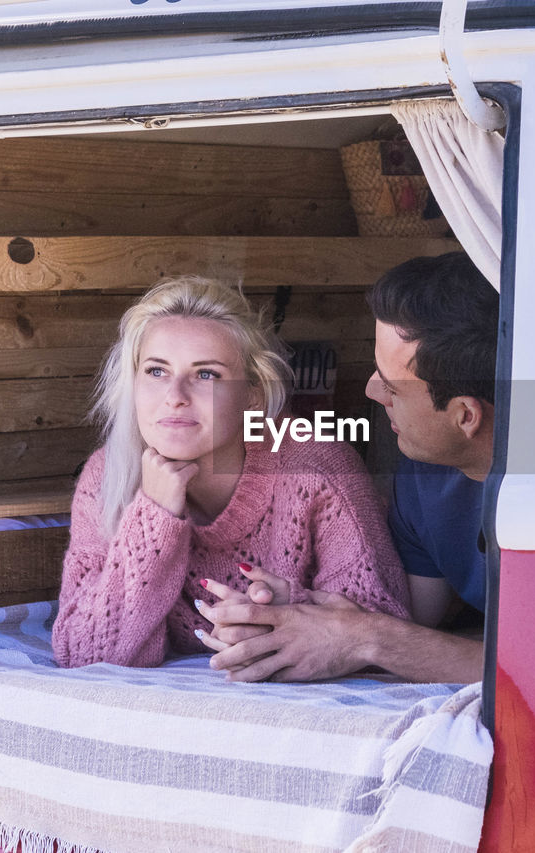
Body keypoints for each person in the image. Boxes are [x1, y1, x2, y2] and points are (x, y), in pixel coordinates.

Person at [52, 276, 410, 669]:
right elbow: (84, 655)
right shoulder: (109, 473)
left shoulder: (316, 466)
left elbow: (385, 629)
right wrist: (154, 515)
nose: (174, 396)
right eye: (156, 371)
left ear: (252, 396)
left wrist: (284, 615)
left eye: (206, 374)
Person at [198, 252, 498, 683]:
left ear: (465, 416)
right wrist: (297, 608)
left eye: (392, 387)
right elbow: (418, 629)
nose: (372, 390)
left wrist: (364, 637)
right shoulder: (425, 473)